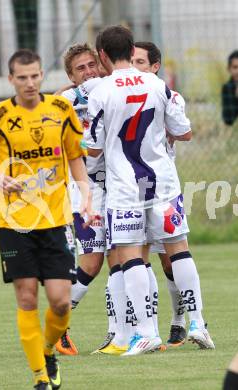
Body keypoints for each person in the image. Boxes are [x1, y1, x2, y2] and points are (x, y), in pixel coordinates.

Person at [86, 25, 215, 356]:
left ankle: (146, 333)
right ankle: (198, 323)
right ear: (132, 51)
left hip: (125, 189)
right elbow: (183, 132)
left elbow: (94, 148)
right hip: (164, 185)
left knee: (130, 256)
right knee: (179, 250)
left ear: (102, 55)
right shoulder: (158, 84)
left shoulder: (100, 91)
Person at [0, 49, 92, 389]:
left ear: (41, 75)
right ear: (11, 79)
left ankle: (48, 349)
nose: (29, 82)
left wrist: (87, 195)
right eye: (21, 77)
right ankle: (40, 377)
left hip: (55, 220)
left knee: (61, 302)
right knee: (26, 298)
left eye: (34, 75)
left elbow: (75, 156)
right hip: (15, 223)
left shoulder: (61, 109)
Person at [60, 43, 129, 355]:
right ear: (72, 77)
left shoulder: (111, 91)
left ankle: (119, 334)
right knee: (91, 262)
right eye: (80, 69)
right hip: (86, 190)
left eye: (92, 65)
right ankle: (56, 322)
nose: (88, 72)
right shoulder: (66, 101)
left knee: (120, 257)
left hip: (117, 185)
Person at [132, 41, 187, 347]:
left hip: (161, 189)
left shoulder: (166, 95)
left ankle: (180, 320)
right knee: (134, 260)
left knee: (171, 260)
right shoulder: (120, 94)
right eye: (131, 61)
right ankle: (141, 329)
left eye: (141, 62)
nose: (134, 67)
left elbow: (184, 132)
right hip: (129, 189)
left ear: (154, 67)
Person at [222, 50, 238, 126]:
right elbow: (228, 120)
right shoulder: (227, 88)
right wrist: (235, 98)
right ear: (229, 69)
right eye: (235, 67)